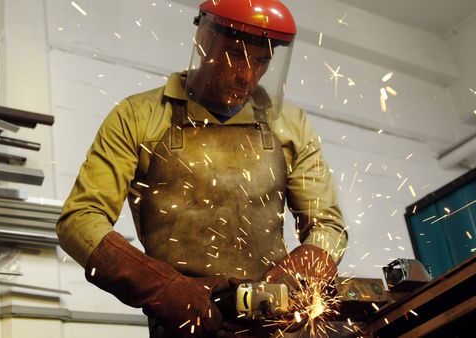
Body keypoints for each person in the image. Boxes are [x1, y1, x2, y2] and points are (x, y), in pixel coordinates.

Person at [56, 0, 348, 337]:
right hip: (184, 322)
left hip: (272, 322)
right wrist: (163, 288)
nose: (247, 75)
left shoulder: (291, 124)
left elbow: (328, 226)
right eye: (236, 55)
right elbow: (79, 220)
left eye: (261, 61)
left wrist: (285, 282)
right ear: (204, 41)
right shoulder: (137, 116)